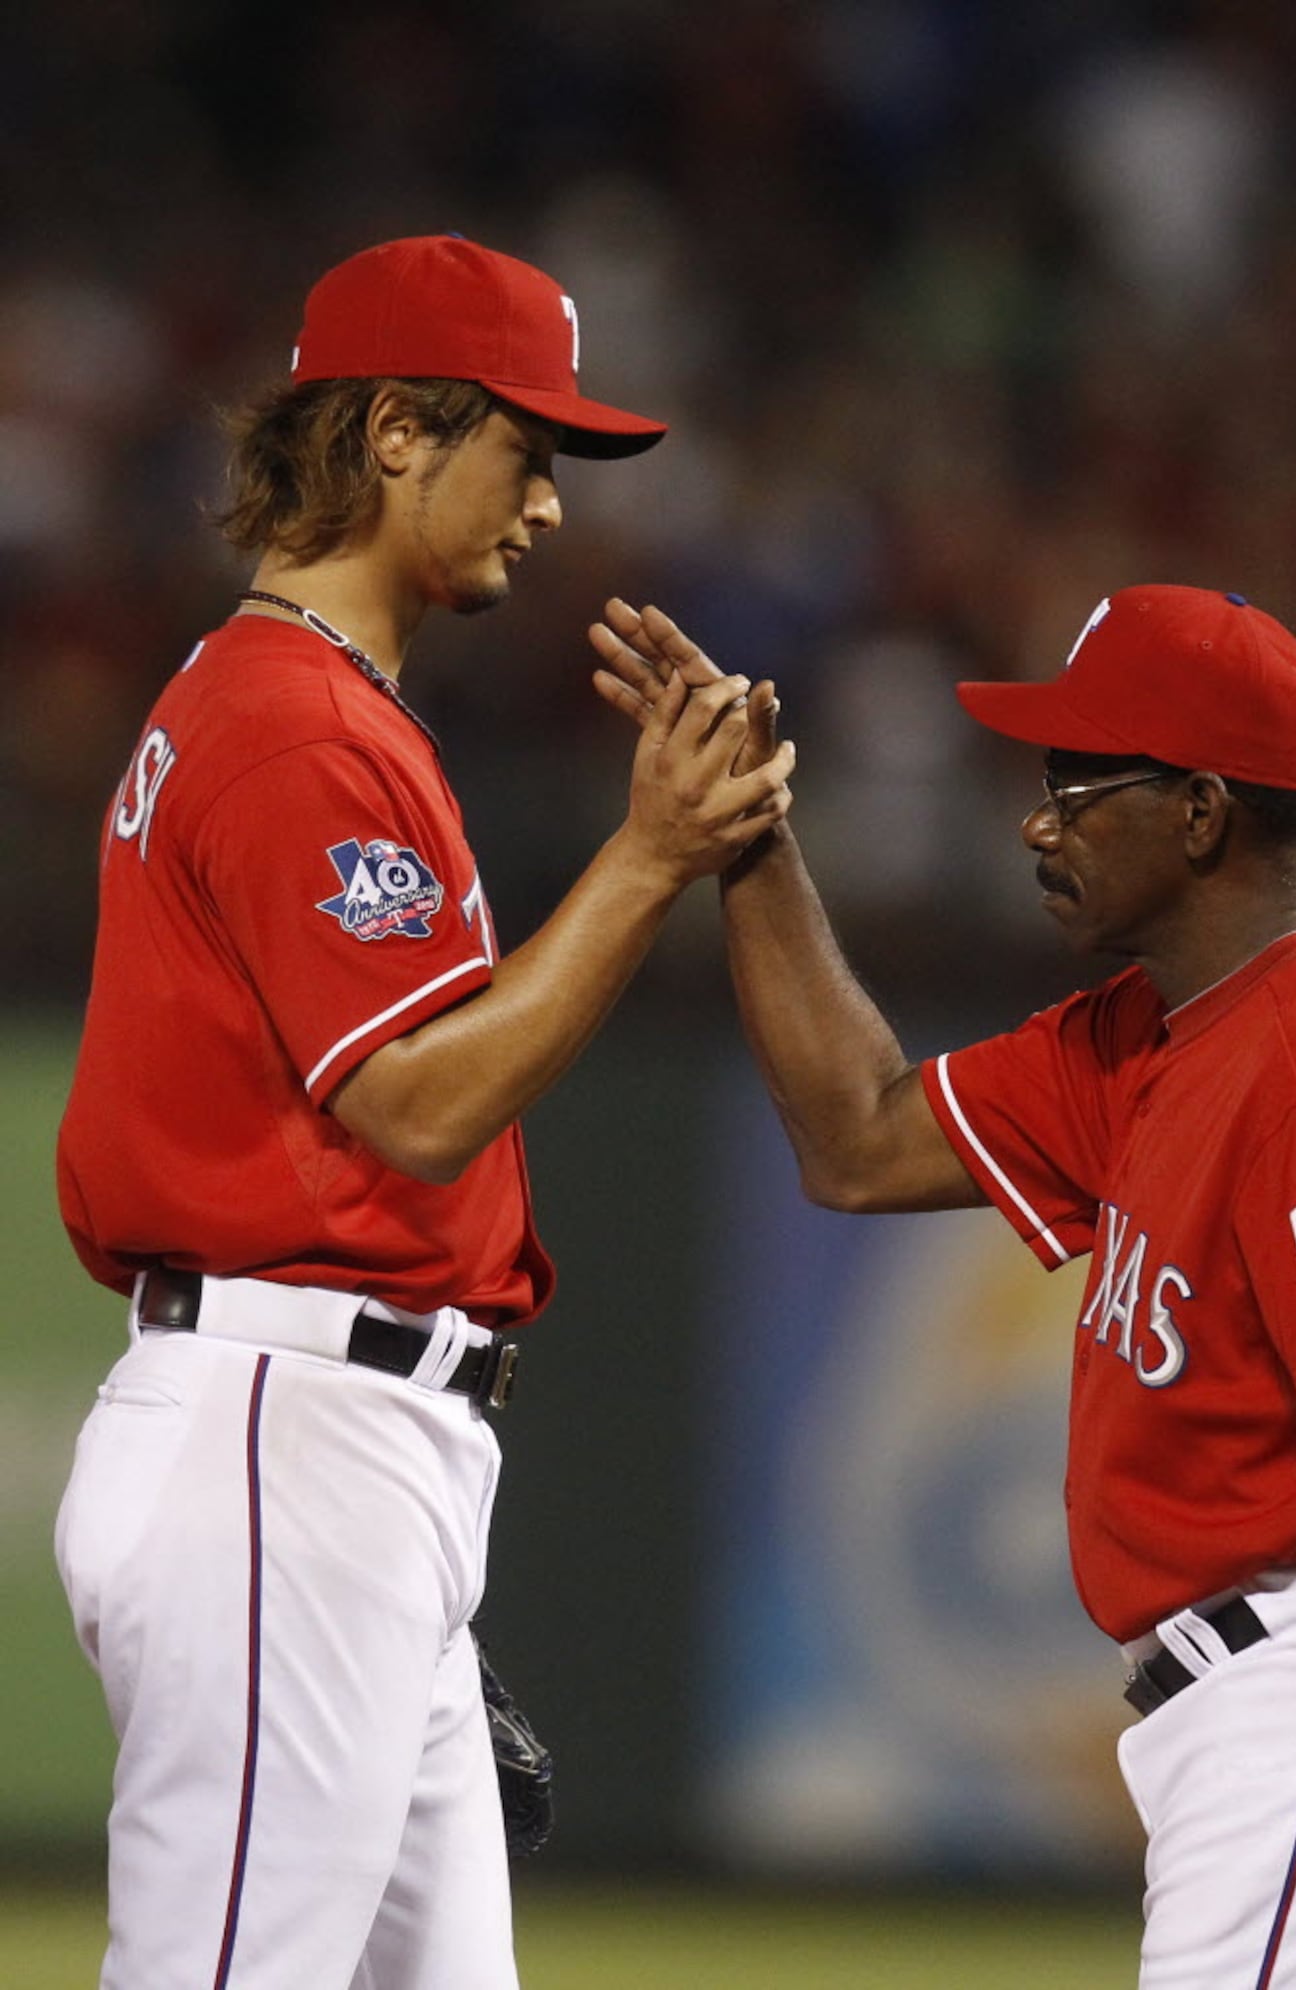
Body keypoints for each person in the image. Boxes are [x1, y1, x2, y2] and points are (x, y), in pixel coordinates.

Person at [589, 585, 1296, 1990]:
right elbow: (859, 1134)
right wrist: (754, 838)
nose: (1040, 821)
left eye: (1078, 785)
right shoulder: (1158, 1030)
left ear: (1204, 811)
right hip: (1271, 1686)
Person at [53, 234, 793, 1990]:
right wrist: (653, 856)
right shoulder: (298, 729)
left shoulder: (305, 706)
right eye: (524, 449)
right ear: (395, 430)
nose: (548, 502)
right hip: (286, 1433)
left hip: (350, 1455)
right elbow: (420, 1101)